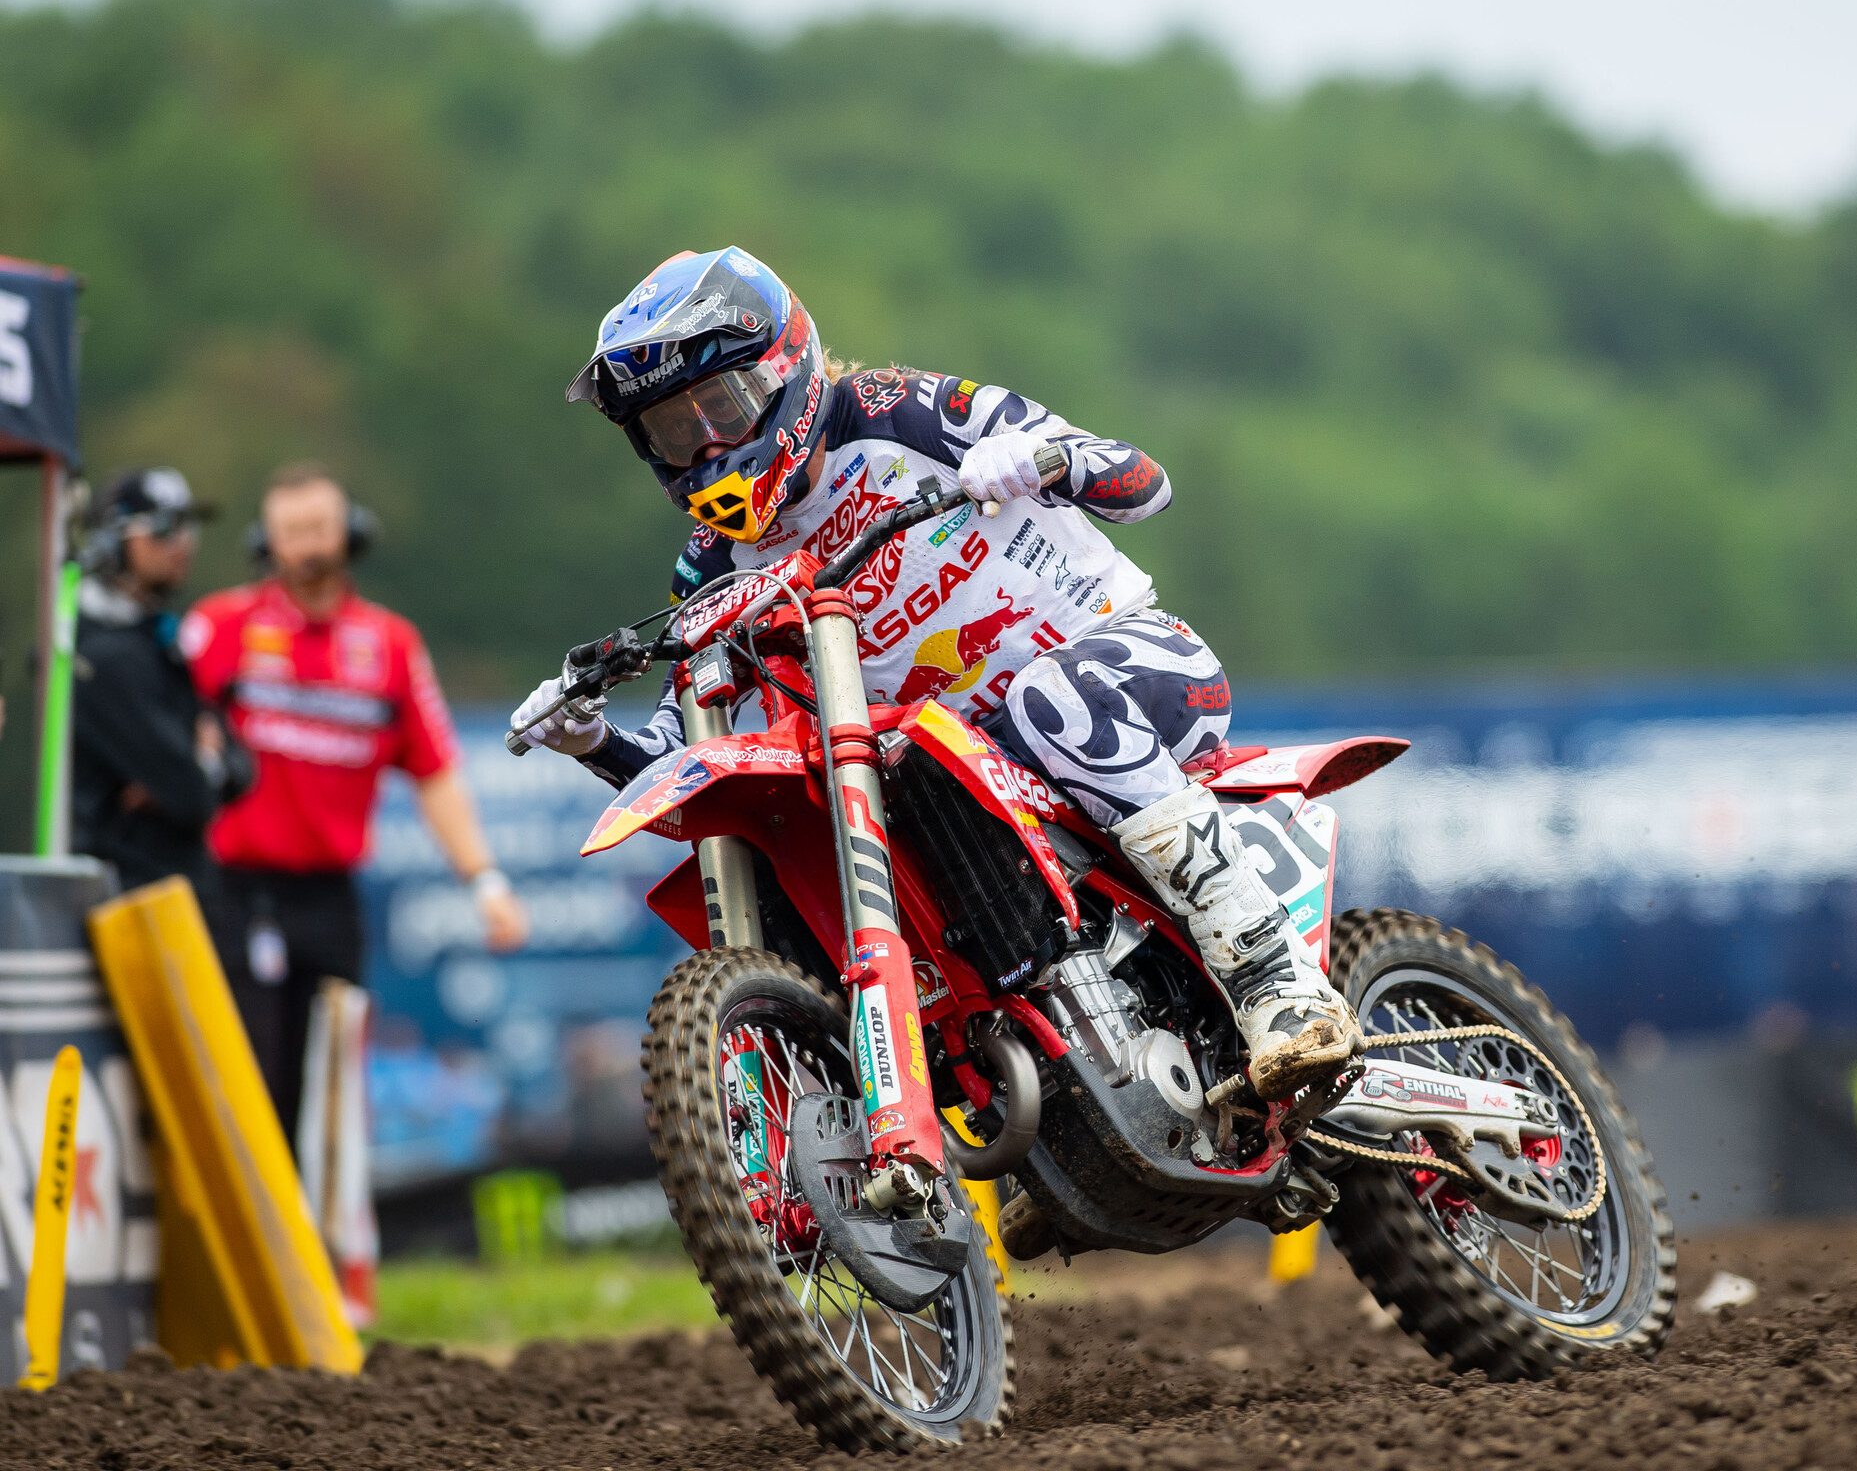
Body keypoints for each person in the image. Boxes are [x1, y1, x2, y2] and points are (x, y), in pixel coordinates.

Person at [510, 247, 1361, 1101]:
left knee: (1047, 700)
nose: (706, 445)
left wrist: (1048, 459)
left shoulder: (906, 412)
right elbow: (685, 748)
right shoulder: (714, 564)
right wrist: (591, 739)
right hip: (960, 766)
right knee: (828, 826)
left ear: (782, 369)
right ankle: (1038, 1106)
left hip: (1132, 663)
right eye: (672, 430)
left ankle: (1279, 987)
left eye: (721, 408)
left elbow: (1147, 483)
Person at [184, 464, 529, 1136]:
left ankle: (320, 1239)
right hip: (235, 891)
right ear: (267, 541)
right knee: (250, 1078)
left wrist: (485, 882)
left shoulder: (390, 644)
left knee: (330, 1092)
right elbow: (162, 730)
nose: (309, 545)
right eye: (292, 532)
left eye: (319, 528)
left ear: (350, 532)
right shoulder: (222, 626)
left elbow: (436, 773)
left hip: (331, 899)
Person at [71, 466, 250, 896]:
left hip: (168, 891)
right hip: (124, 898)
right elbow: (192, 796)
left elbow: (242, 767)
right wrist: (200, 766)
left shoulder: (158, 638)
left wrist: (191, 771)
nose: (184, 543)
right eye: (165, 529)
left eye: (189, 527)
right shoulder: (102, 657)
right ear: (115, 540)